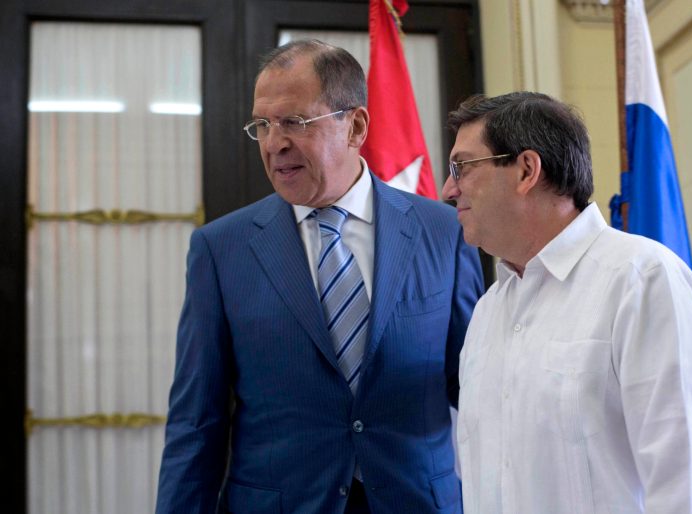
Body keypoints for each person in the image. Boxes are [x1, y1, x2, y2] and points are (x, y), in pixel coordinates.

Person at [156, 39, 483, 514]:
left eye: (294, 122)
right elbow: (196, 423)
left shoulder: (442, 232)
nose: (274, 143)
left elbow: (477, 389)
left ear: (355, 126)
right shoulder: (220, 249)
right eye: (262, 125)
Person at [443, 91, 692, 513]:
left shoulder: (642, 280)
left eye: (462, 168)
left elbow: (687, 484)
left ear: (526, 169)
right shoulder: (487, 312)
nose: (449, 189)